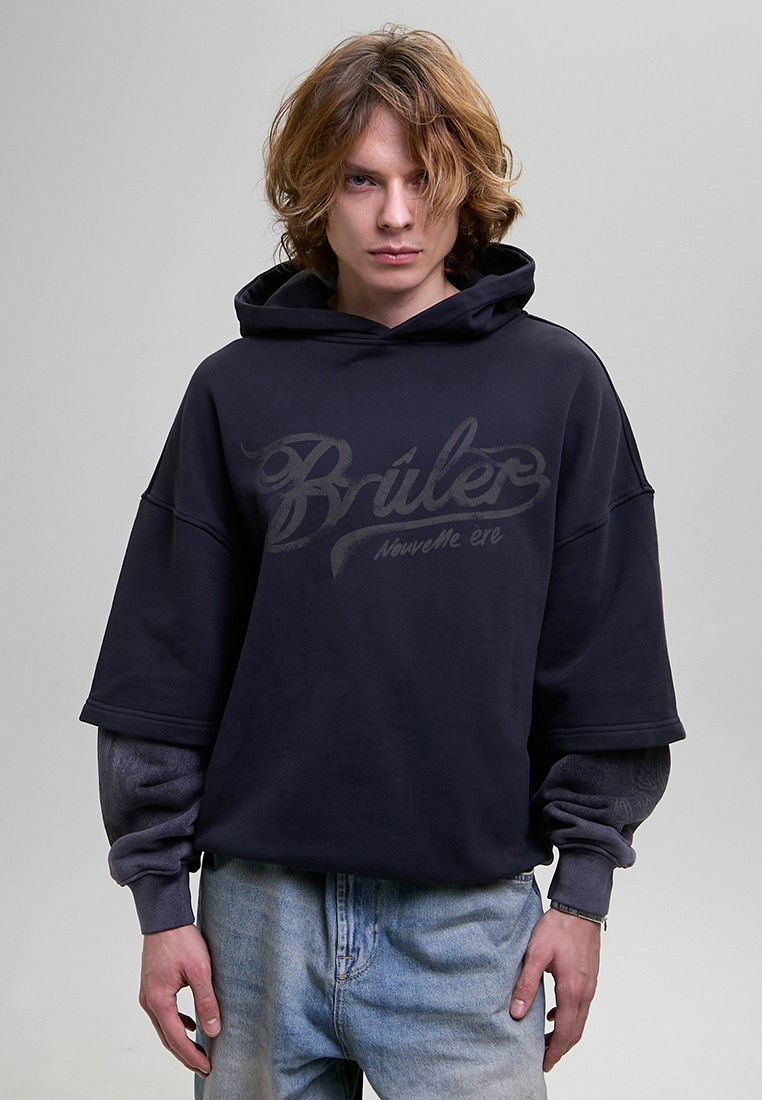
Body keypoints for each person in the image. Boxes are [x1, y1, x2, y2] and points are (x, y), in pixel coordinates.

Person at [82, 25, 684, 1099]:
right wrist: (160, 904)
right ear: (315, 191)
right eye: (362, 179)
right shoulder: (234, 392)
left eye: (424, 178)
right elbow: (162, 661)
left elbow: (610, 656)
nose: (396, 215)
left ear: (468, 185)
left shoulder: (557, 386)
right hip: (256, 922)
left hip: (468, 925)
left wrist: (583, 890)